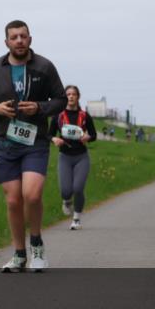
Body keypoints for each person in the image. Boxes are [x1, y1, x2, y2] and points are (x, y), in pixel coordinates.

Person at [0, 20, 65, 272]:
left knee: (32, 194)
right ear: (6, 42)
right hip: (5, 141)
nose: (19, 41)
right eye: (14, 37)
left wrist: (40, 107)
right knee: (14, 201)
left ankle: (36, 245)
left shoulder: (44, 67)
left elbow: (59, 99)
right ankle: (18, 253)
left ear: (30, 39)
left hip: (35, 140)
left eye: (23, 36)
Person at [49, 85, 97, 230]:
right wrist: (54, 139)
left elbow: (93, 135)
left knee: (78, 188)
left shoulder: (84, 115)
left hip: (81, 156)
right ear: (65, 97)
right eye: (68, 94)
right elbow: (48, 134)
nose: (70, 97)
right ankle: (66, 201)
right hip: (65, 156)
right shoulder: (58, 115)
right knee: (65, 190)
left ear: (78, 97)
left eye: (73, 94)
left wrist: (88, 137)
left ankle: (76, 219)